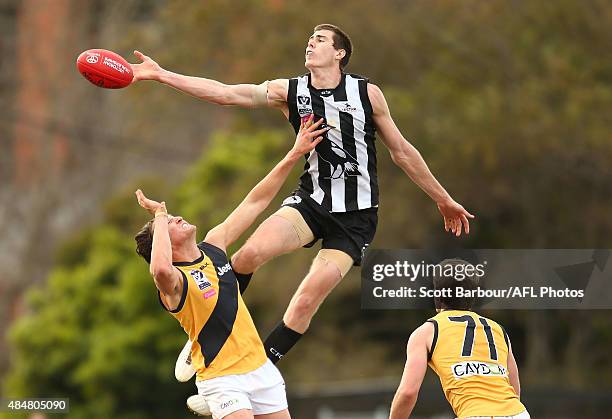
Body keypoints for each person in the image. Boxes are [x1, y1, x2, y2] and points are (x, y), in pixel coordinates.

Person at [131, 24, 475, 411]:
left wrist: (443, 199)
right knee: (246, 256)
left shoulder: (366, 94)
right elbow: (227, 94)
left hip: (356, 219)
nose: (310, 43)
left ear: (340, 54)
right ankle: (208, 339)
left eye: (321, 40)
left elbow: (402, 151)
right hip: (311, 201)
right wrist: (161, 74)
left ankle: (256, 370)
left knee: (305, 301)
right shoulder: (290, 91)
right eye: (310, 39)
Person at [134, 116, 328, 419]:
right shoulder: (175, 282)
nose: (176, 217)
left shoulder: (214, 245)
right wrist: (158, 214)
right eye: (170, 222)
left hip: (261, 370)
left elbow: (255, 201)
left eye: (171, 216)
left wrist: (295, 153)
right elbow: (159, 269)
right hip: (222, 379)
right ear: (166, 244)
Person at [389, 259, 529, 419]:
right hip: (518, 413)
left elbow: (408, 392)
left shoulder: (427, 331)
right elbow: (513, 388)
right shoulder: (497, 329)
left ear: (437, 295)